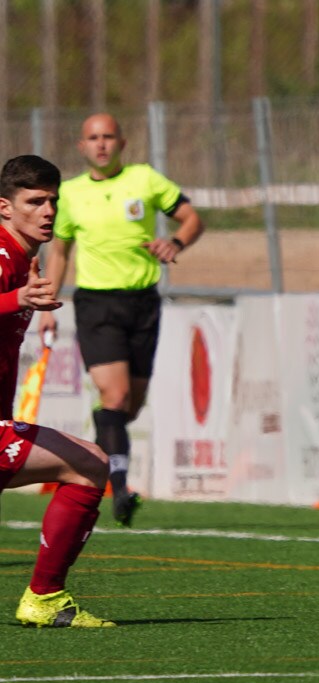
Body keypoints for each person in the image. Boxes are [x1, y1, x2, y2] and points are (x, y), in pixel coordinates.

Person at [39, 113, 204, 526]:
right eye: (93, 137)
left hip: (143, 303)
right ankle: (120, 487)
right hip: (96, 304)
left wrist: (175, 241)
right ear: (82, 146)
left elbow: (191, 218)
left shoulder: (145, 180)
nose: (101, 144)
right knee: (113, 397)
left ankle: (98, 456)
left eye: (108, 136)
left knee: (128, 407)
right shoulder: (71, 194)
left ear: (122, 143)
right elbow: (60, 252)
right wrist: (48, 303)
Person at [0, 155, 114, 627]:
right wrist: (16, 300)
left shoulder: (26, 256)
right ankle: (44, 598)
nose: (48, 210)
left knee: (89, 464)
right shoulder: (3, 255)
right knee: (90, 465)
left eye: (53, 200)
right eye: (35, 201)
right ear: (4, 207)